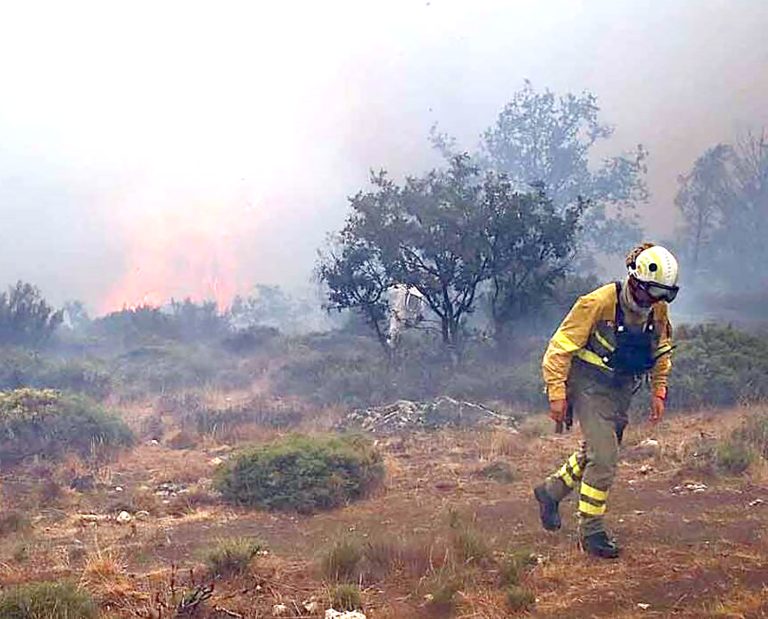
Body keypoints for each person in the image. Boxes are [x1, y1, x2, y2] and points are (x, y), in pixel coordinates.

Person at [533, 243, 679, 558]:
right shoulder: (597, 303)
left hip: (621, 388)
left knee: (596, 451)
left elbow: (661, 349)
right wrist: (556, 393)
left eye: (663, 296)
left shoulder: (657, 309)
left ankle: (550, 492)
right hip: (588, 385)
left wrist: (659, 389)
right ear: (635, 281)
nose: (655, 301)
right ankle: (592, 532)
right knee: (604, 457)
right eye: (652, 293)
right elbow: (559, 348)